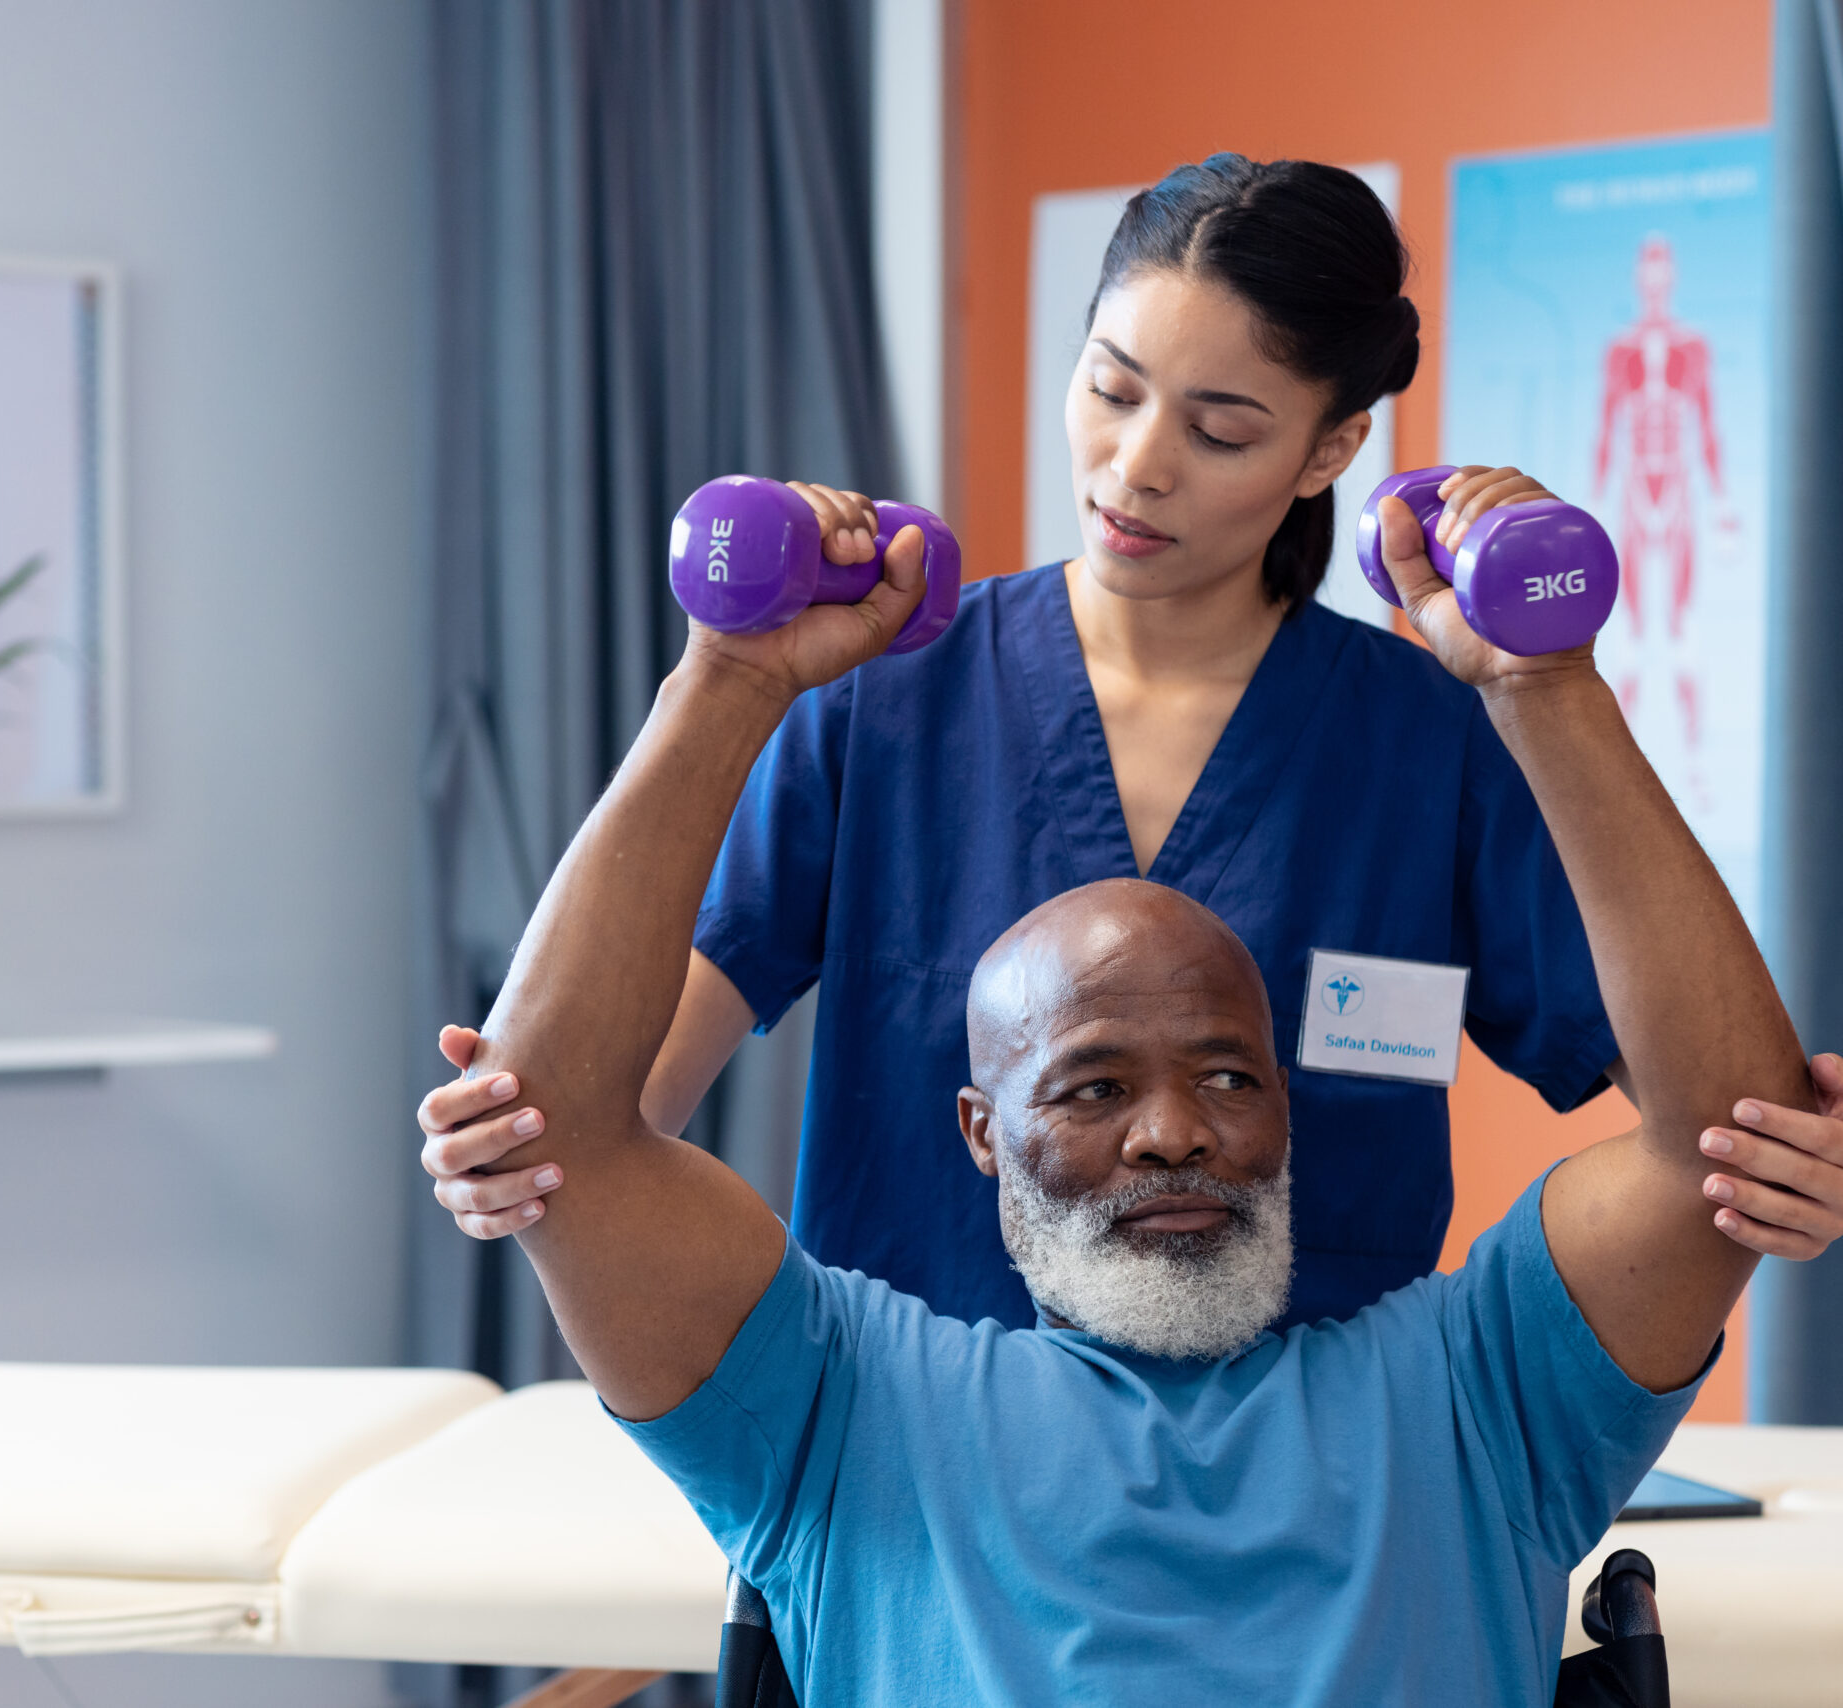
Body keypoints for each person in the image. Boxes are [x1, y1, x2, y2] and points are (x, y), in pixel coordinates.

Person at [421, 483, 1840, 1703]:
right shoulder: (842, 1409)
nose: (1176, 1131)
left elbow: (1726, 1133)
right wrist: (727, 675)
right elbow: (558, 1127)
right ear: (980, 1133)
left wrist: (1549, 687)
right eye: (1092, 1088)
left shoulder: (1478, 1397)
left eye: (1228, 1073)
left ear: (1288, 1106)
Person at [421, 154, 1840, 1326]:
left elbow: (1721, 1126)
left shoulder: (1430, 741)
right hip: (922, 1476)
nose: (1137, 464)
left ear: (1330, 450)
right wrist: (508, 1142)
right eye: (1110, 387)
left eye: (1222, 430)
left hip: (1313, 1489)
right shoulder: (881, 707)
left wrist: (1553, 684)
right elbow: (600, 1102)